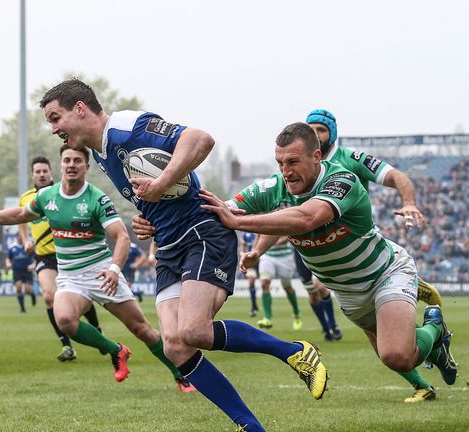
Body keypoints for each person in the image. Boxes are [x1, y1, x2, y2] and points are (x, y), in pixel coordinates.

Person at [39, 79, 327, 432]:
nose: (53, 129)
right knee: (175, 346)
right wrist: (147, 217)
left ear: (80, 109)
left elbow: (200, 139)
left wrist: (160, 185)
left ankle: (293, 352)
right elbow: (151, 191)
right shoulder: (100, 151)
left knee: (193, 330)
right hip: (170, 243)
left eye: (56, 118)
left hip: (201, 232)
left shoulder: (127, 127)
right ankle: (251, 427)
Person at [200, 122, 458, 404]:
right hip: (348, 292)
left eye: (293, 162)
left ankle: (435, 329)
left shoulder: (342, 180)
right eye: (281, 162)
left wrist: (236, 222)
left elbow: (307, 218)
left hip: (385, 273)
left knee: (395, 355)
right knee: (401, 358)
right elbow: (218, 209)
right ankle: (436, 345)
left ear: (317, 157)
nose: (286, 171)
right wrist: (161, 221)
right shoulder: (274, 187)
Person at [0, 144, 195, 393]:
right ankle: (116, 350)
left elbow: (122, 237)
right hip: (70, 277)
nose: (71, 165)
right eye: (67, 160)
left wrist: (115, 269)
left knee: (142, 330)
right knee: (65, 320)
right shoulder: (47, 197)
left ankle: (180, 374)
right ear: (60, 165)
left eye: (77, 161)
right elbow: (19, 214)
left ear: (86, 167)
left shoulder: (97, 199)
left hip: (103, 273)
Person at [18, 155, 103, 362]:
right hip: (44, 256)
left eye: (44, 171)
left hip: (68, 253)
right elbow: (21, 219)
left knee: (80, 293)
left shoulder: (61, 193)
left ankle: (96, 330)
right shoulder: (26, 198)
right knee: (49, 295)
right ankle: (66, 345)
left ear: (51, 173)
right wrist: (25, 239)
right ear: (32, 175)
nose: (41, 174)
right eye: (37, 171)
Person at [255, 237, 302, 331]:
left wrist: (273, 241)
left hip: (285, 257)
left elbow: (290, 233)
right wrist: (254, 251)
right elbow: (259, 235)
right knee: (264, 284)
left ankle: (296, 313)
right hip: (267, 255)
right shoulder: (264, 221)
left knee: (287, 287)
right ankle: (267, 318)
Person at [6, 236, 36, 314]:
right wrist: (8, 264)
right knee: (19, 288)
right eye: (19, 236)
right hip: (17, 271)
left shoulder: (29, 246)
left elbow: (36, 257)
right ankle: (22, 309)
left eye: (22, 237)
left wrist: (33, 265)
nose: (21, 238)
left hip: (27, 271)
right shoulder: (12, 247)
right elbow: (8, 258)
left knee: (28, 289)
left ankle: (32, 295)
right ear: (17, 237)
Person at [239, 232, 260, 317]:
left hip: (262, 259)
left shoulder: (261, 230)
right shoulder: (246, 234)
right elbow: (242, 246)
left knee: (265, 283)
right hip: (251, 261)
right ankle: (254, 306)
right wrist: (242, 254)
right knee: (251, 282)